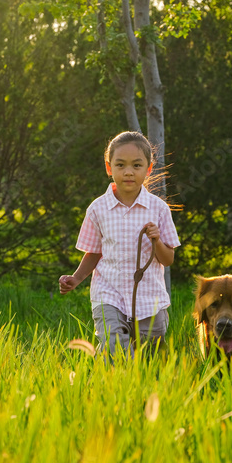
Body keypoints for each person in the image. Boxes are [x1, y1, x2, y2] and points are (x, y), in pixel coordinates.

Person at [59, 131, 180, 361]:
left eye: (136, 165)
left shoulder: (159, 209)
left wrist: (157, 241)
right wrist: (76, 278)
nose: (128, 172)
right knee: (115, 346)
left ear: (148, 169)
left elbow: (168, 260)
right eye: (120, 165)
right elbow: (94, 252)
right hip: (108, 295)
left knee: (149, 359)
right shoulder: (98, 209)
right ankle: (114, 390)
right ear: (108, 167)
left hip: (149, 300)